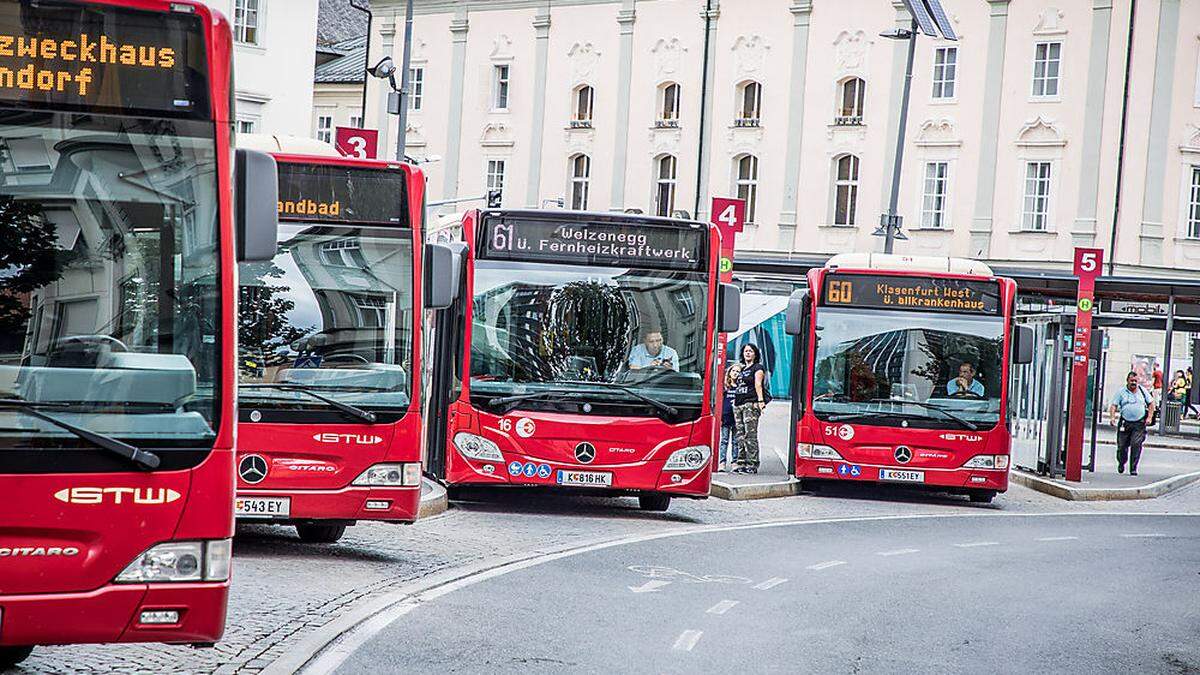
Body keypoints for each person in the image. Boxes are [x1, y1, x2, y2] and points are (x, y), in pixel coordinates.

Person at [1107, 371, 1154, 476]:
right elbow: (1114, 405)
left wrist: (1149, 417)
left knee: (1136, 444)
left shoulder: (1142, 391)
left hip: (1139, 423)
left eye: (1135, 381)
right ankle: (1121, 462)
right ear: (1127, 381)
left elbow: (1151, 404)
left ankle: (1133, 468)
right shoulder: (1121, 392)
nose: (1134, 383)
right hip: (1125, 423)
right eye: (1132, 380)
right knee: (1122, 446)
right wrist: (1112, 418)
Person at [733, 343, 767, 475]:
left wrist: (760, 401)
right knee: (740, 435)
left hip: (750, 404)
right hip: (738, 404)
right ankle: (741, 462)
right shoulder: (741, 369)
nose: (747, 353)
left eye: (750, 351)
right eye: (745, 351)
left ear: (755, 353)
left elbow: (758, 384)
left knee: (750, 434)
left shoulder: (758, 368)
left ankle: (752, 463)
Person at [718, 364, 743, 471]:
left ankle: (734, 462)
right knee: (724, 441)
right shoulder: (725, 387)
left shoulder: (741, 387)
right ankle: (722, 462)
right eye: (734, 371)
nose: (735, 373)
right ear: (730, 372)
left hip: (737, 418)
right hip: (725, 417)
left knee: (736, 441)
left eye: (738, 371)